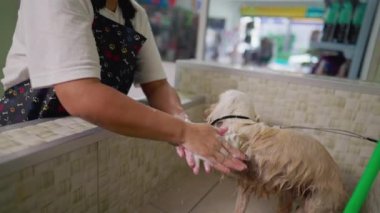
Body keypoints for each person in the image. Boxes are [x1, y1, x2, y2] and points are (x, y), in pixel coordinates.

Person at [0, 0, 247, 174]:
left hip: (84, 136)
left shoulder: (134, 14)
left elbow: (158, 85)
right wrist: (182, 132)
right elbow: (80, 94)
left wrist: (181, 119)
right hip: (26, 133)